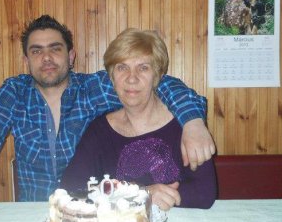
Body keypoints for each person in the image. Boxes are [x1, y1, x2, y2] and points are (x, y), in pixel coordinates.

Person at [0, 15, 215, 222]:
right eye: (36, 51)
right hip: (35, 214)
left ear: (71, 56)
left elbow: (160, 84)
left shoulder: (94, 88)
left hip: (92, 214)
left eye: (55, 48)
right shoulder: (13, 93)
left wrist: (192, 121)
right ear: (26, 60)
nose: (46, 58)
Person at [61, 28, 217, 211]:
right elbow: (70, 187)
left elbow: (205, 193)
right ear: (112, 77)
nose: (132, 78)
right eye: (122, 67)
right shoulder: (99, 130)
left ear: (157, 76)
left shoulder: (186, 127)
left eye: (143, 68)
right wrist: (142, 194)